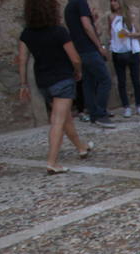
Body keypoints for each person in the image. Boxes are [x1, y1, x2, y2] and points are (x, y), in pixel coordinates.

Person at [18, 0, 93, 174]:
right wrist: (78, 71)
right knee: (58, 121)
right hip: (62, 80)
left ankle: (81, 147)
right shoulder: (59, 32)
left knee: (65, 118)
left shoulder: (26, 34)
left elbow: (22, 59)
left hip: (43, 82)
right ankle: (52, 162)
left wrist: (23, 84)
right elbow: (74, 58)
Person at [65, 0, 115, 128]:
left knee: (88, 83)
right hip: (89, 49)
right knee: (105, 80)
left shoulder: (69, 6)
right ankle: (100, 114)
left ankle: (93, 114)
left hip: (80, 50)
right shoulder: (80, 3)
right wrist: (99, 47)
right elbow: (86, 26)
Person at [108, 0, 140, 118]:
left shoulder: (131, 16)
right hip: (118, 51)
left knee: (135, 79)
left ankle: (139, 105)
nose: (113, 3)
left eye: (115, 1)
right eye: (111, 1)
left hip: (132, 51)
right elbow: (111, 33)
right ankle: (126, 106)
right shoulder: (111, 17)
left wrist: (128, 34)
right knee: (121, 81)